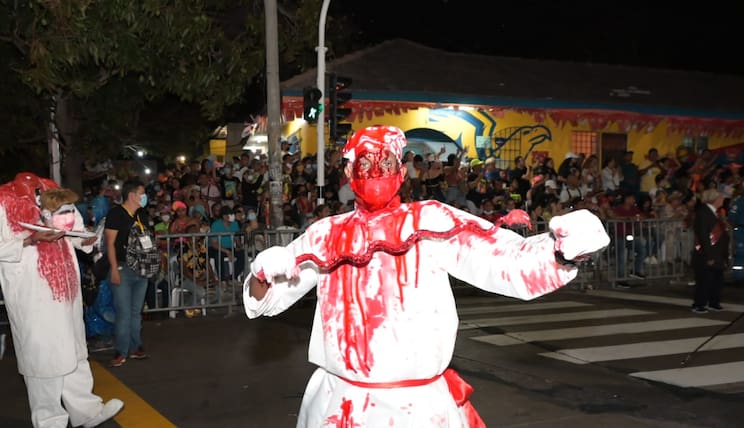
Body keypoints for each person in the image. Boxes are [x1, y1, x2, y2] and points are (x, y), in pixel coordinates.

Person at [243, 126, 610, 427]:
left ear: (402, 171)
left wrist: (563, 250)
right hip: (338, 406)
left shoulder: (432, 221)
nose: (375, 170)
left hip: (417, 410)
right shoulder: (325, 235)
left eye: (385, 160)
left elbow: (507, 262)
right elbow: (267, 298)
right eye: (365, 161)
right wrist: (262, 272)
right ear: (349, 173)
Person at [0, 173, 123, 427]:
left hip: (66, 288)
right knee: (42, 357)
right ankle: (49, 420)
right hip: (31, 293)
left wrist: (85, 239)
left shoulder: (52, 190)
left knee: (75, 350)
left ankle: (87, 411)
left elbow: (73, 227)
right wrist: (30, 240)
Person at [104, 178, 152, 367]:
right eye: (142, 193)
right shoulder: (116, 214)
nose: (145, 197)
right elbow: (109, 244)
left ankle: (135, 347)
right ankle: (121, 351)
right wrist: (114, 269)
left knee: (135, 312)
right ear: (132, 195)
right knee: (124, 313)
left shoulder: (142, 215)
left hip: (141, 269)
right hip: (123, 269)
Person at [691, 189, 730, 313]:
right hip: (707, 253)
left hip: (718, 252)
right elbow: (703, 236)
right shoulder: (703, 213)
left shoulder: (715, 213)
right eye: (721, 198)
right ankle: (699, 304)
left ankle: (714, 302)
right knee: (704, 280)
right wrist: (709, 256)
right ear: (715, 199)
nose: (723, 200)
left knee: (717, 279)